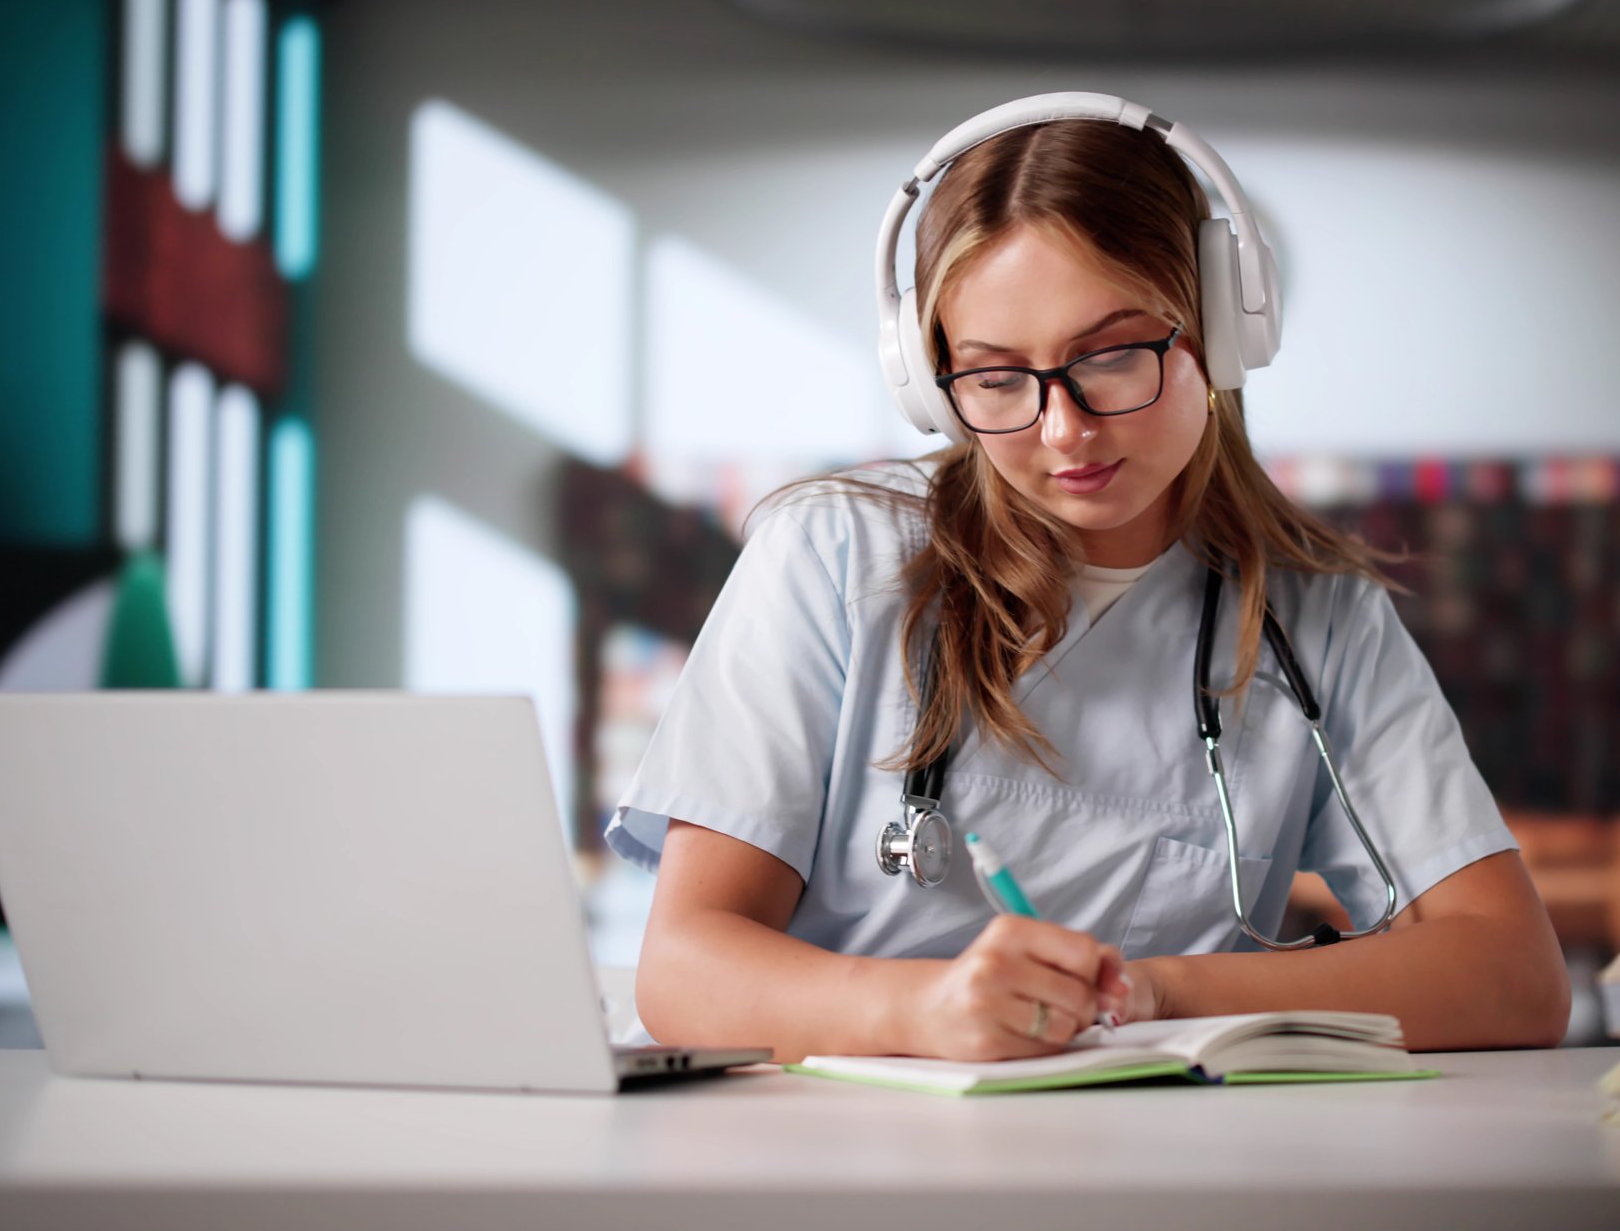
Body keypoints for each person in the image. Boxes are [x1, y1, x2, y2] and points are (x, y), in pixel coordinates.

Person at [609, 96, 1569, 1064]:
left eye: (1110, 356)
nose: (1063, 429)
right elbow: (685, 967)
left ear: (1222, 333)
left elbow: (1513, 976)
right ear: (928, 380)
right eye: (994, 378)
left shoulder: (1317, 618)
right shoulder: (829, 555)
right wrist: (918, 1011)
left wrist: (1157, 988)